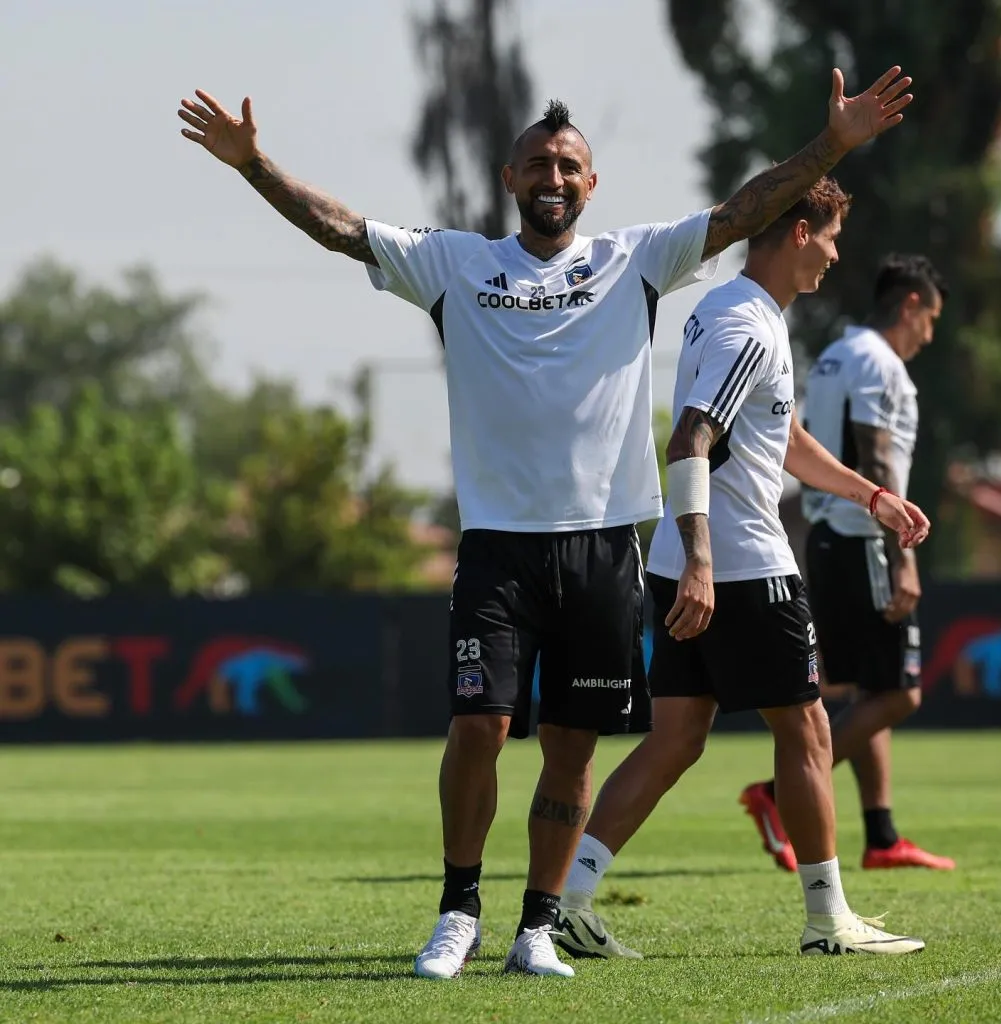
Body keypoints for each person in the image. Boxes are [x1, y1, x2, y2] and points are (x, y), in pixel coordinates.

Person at [177, 65, 913, 978]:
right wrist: (256, 166)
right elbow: (342, 228)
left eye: (568, 166)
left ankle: (538, 924)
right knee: (477, 728)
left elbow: (741, 211)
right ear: (509, 179)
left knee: (573, 745)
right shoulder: (455, 263)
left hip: (604, 549)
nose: (552, 178)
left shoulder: (635, 260)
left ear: (591, 183)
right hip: (497, 547)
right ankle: (458, 911)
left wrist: (833, 145)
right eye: (536, 165)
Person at [555, 176, 932, 961]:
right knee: (809, 729)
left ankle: (571, 900)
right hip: (738, 564)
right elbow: (691, 438)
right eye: (830, 238)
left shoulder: (732, 311)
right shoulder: (747, 327)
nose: (835, 255)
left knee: (675, 740)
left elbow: (779, 434)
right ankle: (828, 920)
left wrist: (871, 496)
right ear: (797, 233)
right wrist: (703, 561)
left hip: (689, 561)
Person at [740, 254, 955, 873]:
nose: (928, 335)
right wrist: (902, 557)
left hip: (831, 538)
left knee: (872, 690)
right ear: (910, 305)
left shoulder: (837, 354)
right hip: (865, 540)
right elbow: (876, 455)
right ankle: (776, 793)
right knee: (901, 695)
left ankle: (882, 835)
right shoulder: (878, 362)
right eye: (930, 319)